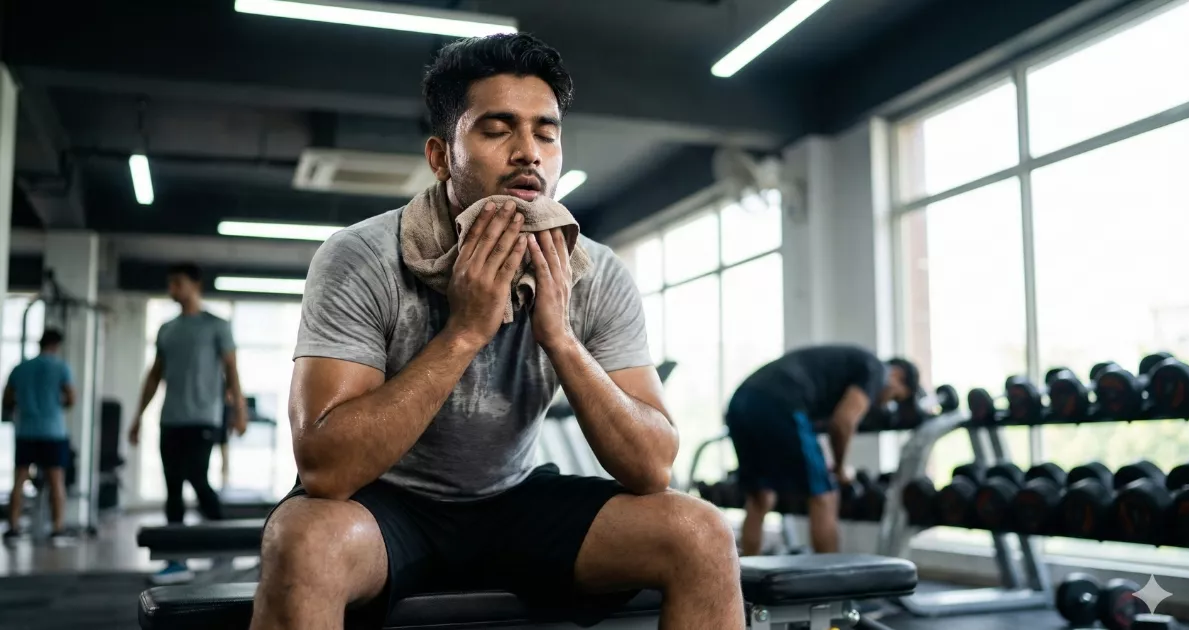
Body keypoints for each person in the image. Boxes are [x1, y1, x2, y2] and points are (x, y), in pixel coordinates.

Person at [249, 33, 742, 630]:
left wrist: (559, 336)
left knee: (698, 531)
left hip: (513, 502)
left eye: (546, 131)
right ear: (440, 157)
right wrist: (464, 332)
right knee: (303, 540)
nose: (528, 152)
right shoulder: (361, 256)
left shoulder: (596, 273)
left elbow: (651, 468)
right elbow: (326, 470)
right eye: (496, 129)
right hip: (388, 507)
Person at [726, 344, 919, 556]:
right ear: (897, 375)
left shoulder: (851, 365)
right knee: (825, 495)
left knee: (760, 497)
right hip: (781, 403)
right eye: (896, 397)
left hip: (741, 401)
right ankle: (829, 584)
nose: (887, 403)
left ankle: (744, 579)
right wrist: (839, 468)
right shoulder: (877, 370)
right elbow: (843, 422)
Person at [129, 263, 249, 584]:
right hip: (171, 419)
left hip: (203, 418)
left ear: (195, 285)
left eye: (177, 283)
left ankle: (226, 547)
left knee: (197, 478)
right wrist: (138, 417)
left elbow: (232, 372)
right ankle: (175, 561)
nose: (172, 289)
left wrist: (240, 410)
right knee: (172, 489)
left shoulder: (217, 326)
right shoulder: (167, 329)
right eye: (169, 283)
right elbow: (154, 375)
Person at [2, 329, 77, 547]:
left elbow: (7, 399)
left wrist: (26, 408)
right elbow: (71, 398)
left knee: (19, 481)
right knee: (56, 482)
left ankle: (13, 528)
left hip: (26, 430)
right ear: (56, 345)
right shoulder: (60, 367)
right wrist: (54, 405)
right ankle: (57, 529)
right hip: (52, 431)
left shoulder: (21, 368)